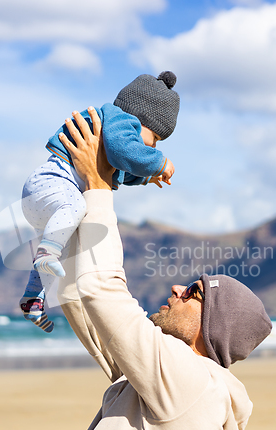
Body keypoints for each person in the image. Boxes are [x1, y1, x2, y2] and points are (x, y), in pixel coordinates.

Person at [52, 108, 273, 430]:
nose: (177, 289)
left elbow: (102, 292)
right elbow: (78, 297)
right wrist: (71, 199)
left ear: (212, 329)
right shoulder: (157, 377)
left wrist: (99, 186)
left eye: (193, 293)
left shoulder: (191, 382)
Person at [20, 71, 180, 332]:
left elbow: (119, 169)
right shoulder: (119, 119)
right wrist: (159, 161)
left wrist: (144, 178)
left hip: (50, 199)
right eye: (156, 140)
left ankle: (33, 300)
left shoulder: (114, 134)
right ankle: (46, 254)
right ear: (142, 121)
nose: (152, 147)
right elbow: (124, 151)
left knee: (64, 251)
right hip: (51, 183)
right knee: (74, 212)